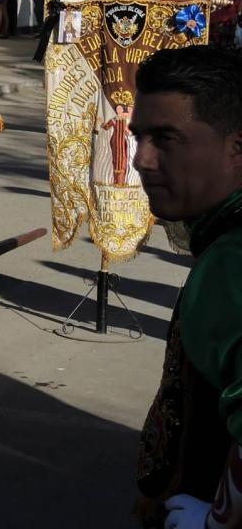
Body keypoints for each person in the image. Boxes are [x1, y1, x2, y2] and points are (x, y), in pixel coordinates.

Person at [131, 47, 242, 529]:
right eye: (138, 137)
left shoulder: (231, 263)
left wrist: (217, 519)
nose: (141, 160)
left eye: (166, 138)